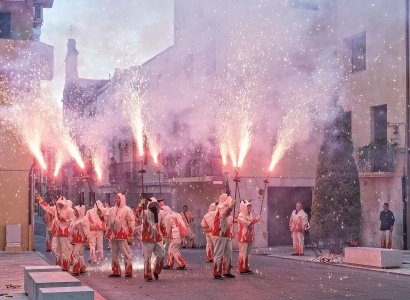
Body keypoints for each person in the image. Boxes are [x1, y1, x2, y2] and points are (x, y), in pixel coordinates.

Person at [36, 195, 74, 271]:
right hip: (57, 233)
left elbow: (72, 222)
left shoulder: (70, 211)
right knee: (56, 249)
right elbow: (47, 208)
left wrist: (63, 220)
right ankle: (60, 264)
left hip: (65, 233)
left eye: (61, 204)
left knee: (65, 250)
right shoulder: (56, 210)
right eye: (59, 203)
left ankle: (66, 266)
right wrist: (41, 200)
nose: (59, 205)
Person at [135, 197, 167, 282]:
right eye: (152, 204)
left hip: (158, 238)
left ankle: (156, 271)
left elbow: (162, 225)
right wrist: (140, 205)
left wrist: (166, 236)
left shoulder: (160, 214)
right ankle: (148, 275)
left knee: (161, 255)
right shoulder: (145, 212)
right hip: (147, 239)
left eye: (155, 204)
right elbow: (137, 215)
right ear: (149, 205)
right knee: (147, 258)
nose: (154, 206)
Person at [104, 193, 135, 278]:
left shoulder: (127, 210)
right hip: (113, 235)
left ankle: (128, 271)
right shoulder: (111, 210)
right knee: (114, 254)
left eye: (118, 198)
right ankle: (116, 271)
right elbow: (105, 219)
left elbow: (131, 222)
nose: (116, 200)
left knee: (126, 253)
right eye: (115, 198)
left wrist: (130, 234)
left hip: (123, 235)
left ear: (122, 199)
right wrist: (100, 214)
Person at [212, 193, 236, 280]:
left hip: (226, 234)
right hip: (220, 233)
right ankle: (217, 273)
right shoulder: (220, 207)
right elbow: (224, 214)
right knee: (219, 253)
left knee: (229, 253)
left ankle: (227, 271)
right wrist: (230, 207)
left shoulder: (224, 207)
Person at [237, 200, 261, 274]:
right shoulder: (241, 215)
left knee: (248, 253)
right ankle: (241, 268)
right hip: (243, 237)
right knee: (243, 253)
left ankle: (246, 267)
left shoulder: (250, 214)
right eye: (247, 206)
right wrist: (255, 220)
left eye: (249, 206)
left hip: (249, 237)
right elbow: (247, 223)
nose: (249, 208)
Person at [162, 205, 187, 270]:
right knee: (171, 248)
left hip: (175, 234)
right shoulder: (176, 214)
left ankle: (182, 264)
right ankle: (169, 264)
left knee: (174, 249)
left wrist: (165, 237)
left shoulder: (168, 216)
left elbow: (167, 228)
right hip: (179, 233)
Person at [69, 205, 90, 276]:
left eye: (75, 210)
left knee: (76, 254)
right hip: (75, 239)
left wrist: (87, 240)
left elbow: (86, 231)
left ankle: (76, 270)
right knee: (79, 254)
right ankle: (82, 268)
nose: (74, 212)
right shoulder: (75, 218)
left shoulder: (84, 220)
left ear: (79, 212)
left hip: (80, 239)